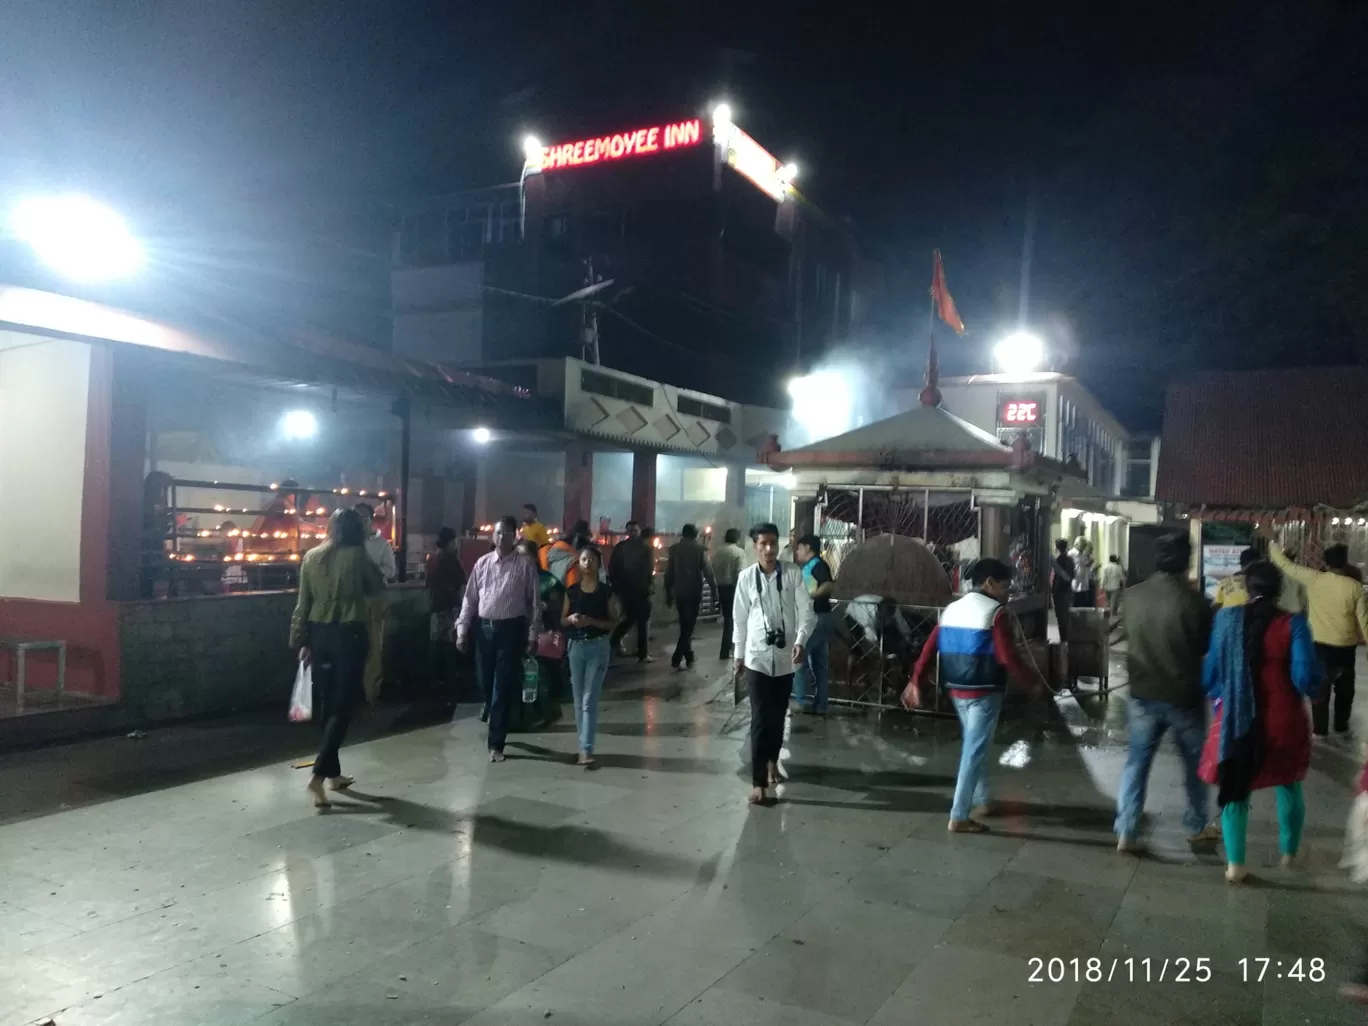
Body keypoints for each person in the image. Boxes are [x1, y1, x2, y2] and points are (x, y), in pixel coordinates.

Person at [902, 558, 1045, 833]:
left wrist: (916, 681)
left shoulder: (951, 609)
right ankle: (959, 815)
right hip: (985, 691)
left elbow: (929, 649)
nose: (1008, 592)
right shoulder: (997, 613)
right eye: (1005, 586)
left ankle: (983, 799)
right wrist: (1032, 683)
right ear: (989, 582)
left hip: (956, 689)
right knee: (974, 751)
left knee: (973, 745)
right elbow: (1007, 656)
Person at [1199, 560, 1320, 883]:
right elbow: (1305, 676)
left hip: (1236, 718)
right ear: (1279, 590)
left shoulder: (1226, 619)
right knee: (1289, 783)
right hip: (1284, 719)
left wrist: (1223, 698)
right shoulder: (1293, 624)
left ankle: (1235, 865)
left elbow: (1211, 673)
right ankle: (1289, 852)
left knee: (1236, 785)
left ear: (1248, 588)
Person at [1113, 531, 1218, 852]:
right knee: (1194, 765)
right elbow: (1205, 647)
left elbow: (1126, 633)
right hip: (1183, 697)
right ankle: (1196, 825)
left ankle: (1127, 829)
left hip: (1142, 694)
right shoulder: (1197, 602)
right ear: (1186, 561)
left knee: (1137, 763)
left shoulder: (1132, 596)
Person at [290, 507, 384, 808]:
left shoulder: (311, 556)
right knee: (343, 708)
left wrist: (301, 640)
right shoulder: (358, 556)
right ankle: (318, 776)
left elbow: (302, 603)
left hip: (320, 636)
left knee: (328, 704)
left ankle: (334, 774)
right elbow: (377, 586)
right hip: (349, 635)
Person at [733, 522, 815, 805]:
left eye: (772, 543)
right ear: (754, 546)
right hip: (756, 657)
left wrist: (800, 640)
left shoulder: (792, 574)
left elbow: (807, 612)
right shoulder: (745, 578)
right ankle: (758, 783)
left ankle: (771, 763)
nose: (769, 549)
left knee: (778, 715)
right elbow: (739, 619)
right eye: (763, 544)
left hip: (784, 658)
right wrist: (738, 655)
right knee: (759, 717)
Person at [456, 516, 539, 762]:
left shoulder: (525, 565)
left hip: (511, 630)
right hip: (484, 630)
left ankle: (496, 743)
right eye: (498, 533)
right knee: (485, 681)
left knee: (502, 685)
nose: (502, 537)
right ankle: (495, 715)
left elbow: (534, 604)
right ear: (494, 535)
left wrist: (533, 633)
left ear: (515, 536)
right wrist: (462, 629)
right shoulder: (482, 564)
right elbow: (470, 599)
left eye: (507, 533)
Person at [1268, 540, 1368, 739]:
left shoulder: (1314, 579)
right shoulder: (1356, 588)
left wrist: (1272, 542)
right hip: (1345, 646)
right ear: (1345, 563)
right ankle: (1341, 725)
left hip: (1319, 644)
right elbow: (1364, 621)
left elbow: (1285, 564)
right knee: (1345, 688)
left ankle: (1320, 730)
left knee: (1320, 686)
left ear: (1326, 562)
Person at [562, 546, 618, 766]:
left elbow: (614, 622)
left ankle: (586, 749)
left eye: (592, 559)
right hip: (575, 646)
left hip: (598, 646)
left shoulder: (606, 592)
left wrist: (592, 622)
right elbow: (562, 620)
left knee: (589, 699)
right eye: (584, 559)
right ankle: (582, 745)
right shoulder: (572, 591)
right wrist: (572, 619)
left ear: (598, 563)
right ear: (579, 563)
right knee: (578, 701)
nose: (587, 563)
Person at [514, 538, 566, 729]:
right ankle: (530, 714)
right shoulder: (513, 578)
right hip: (519, 632)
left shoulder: (547, 580)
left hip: (543, 634)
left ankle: (549, 712)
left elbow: (559, 605)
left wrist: (544, 606)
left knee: (542, 675)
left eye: (524, 554)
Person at [354, 502, 396, 704]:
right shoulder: (347, 543)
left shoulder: (381, 544)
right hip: (352, 601)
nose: (360, 521)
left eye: (364, 517)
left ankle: (371, 692)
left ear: (371, 520)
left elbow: (391, 571)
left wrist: (373, 571)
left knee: (374, 646)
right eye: (357, 517)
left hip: (374, 599)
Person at [792, 534, 836, 714]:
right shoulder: (812, 566)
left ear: (808, 548)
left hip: (815, 619)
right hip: (823, 618)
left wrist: (810, 596)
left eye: (799, 548)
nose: (797, 552)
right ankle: (821, 705)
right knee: (819, 664)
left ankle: (799, 700)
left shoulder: (817, 564)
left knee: (797, 659)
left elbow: (828, 585)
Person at [664, 524, 716, 670]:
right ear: (696, 534)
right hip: (693, 591)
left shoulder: (674, 549)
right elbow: (708, 571)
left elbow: (669, 572)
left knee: (684, 624)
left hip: (679, 591)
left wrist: (668, 591)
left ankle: (689, 655)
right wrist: (714, 590)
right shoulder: (700, 550)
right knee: (689, 626)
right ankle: (677, 656)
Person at [425, 527, 466, 705]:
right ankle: (451, 683)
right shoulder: (449, 557)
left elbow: (428, 581)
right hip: (449, 606)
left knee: (435, 644)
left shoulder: (433, 557)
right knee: (450, 644)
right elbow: (462, 578)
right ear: (451, 541)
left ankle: (434, 681)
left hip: (435, 605)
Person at [609, 522, 654, 662]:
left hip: (625, 589)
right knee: (640, 621)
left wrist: (617, 587)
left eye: (634, 530)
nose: (632, 533)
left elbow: (612, 569)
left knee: (630, 618)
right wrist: (649, 586)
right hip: (639, 590)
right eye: (631, 531)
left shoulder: (620, 547)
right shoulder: (646, 549)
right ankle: (642, 653)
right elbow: (648, 571)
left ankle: (614, 642)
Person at [713, 528, 745, 660]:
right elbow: (740, 574)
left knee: (727, 618)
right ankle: (727, 650)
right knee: (733, 620)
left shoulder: (718, 552)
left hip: (720, 588)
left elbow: (712, 568)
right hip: (733, 588)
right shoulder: (739, 552)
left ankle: (726, 650)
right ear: (737, 538)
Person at [1050, 538, 1075, 643]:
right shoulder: (1070, 559)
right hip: (1068, 589)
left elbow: (1058, 576)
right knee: (1066, 614)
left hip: (1060, 591)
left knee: (1060, 615)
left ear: (1057, 547)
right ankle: (1067, 636)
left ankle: (1063, 637)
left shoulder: (1059, 560)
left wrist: (1053, 589)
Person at [1069, 537, 1096, 608]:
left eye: (1084, 546)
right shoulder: (1071, 554)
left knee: (1082, 606)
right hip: (1075, 583)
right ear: (1076, 544)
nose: (1083, 548)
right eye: (1082, 546)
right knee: (1075, 606)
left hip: (1083, 583)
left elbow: (1084, 565)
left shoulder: (1082, 555)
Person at [1100, 554, 1127, 621]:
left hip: (1107, 587)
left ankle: (1106, 615)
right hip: (1115, 587)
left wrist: (1102, 586)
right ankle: (1111, 616)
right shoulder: (1118, 567)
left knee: (1108, 601)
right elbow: (1122, 578)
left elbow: (1103, 578)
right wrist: (1124, 585)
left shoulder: (1105, 567)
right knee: (1113, 602)